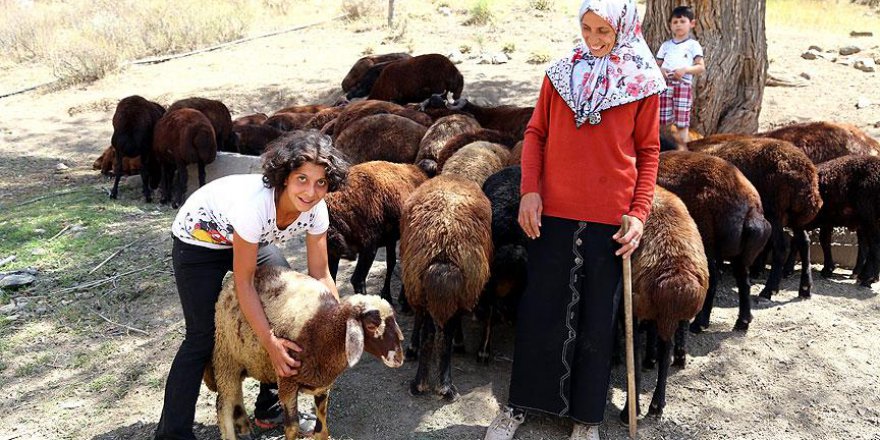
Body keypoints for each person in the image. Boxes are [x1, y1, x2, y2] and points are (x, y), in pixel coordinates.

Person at [483, 1, 663, 440]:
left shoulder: (643, 84)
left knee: (597, 318)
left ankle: (586, 418)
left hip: (611, 220)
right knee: (540, 308)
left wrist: (639, 214)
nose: (595, 38)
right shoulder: (560, 73)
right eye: (587, 28)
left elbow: (649, 152)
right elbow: (536, 133)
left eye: (604, 30)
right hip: (554, 212)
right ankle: (520, 404)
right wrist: (530, 190)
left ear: (623, 28)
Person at [154, 130, 349, 440]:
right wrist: (269, 342)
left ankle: (269, 406)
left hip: (250, 240)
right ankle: (172, 433)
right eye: (302, 179)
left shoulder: (316, 210)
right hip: (200, 240)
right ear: (285, 177)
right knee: (202, 336)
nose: (311, 192)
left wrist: (336, 326)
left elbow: (320, 274)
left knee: (284, 307)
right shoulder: (254, 207)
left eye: (321, 182)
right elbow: (243, 283)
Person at [656, 5, 705, 146]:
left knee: (682, 120)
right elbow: (655, 65)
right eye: (675, 22)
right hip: (665, 85)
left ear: (692, 24)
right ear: (670, 25)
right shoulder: (666, 46)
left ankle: (683, 147)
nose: (678, 25)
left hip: (683, 85)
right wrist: (662, 71)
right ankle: (665, 146)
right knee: (663, 119)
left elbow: (700, 67)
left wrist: (685, 70)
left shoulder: (693, 45)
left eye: (682, 21)